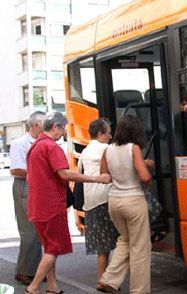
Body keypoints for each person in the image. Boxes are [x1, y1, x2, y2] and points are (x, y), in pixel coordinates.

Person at [25, 112, 111, 294]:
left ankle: (52, 286)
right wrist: (97, 179)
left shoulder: (35, 147)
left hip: (36, 206)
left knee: (48, 248)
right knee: (53, 249)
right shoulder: (52, 147)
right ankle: (33, 288)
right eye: (63, 128)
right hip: (51, 206)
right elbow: (65, 174)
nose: (64, 132)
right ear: (55, 127)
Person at [97, 114, 153, 294]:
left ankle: (109, 280)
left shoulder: (108, 150)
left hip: (114, 202)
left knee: (125, 240)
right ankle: (139, 290)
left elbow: (104, 176)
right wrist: (146, 172)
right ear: (135, 130)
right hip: (133, 201)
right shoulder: (133, 148)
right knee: (140, 248)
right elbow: (144, 177)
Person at [75, 118, 119, 283]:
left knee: (103, 249)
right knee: (123, 242)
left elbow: (80, 171)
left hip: (91, 203)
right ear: (100, 133)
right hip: (106, 199)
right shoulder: (106, 148)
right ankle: (110, 279)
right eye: (108, 132)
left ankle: (102, 280)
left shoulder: (85, 151)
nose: (110, 135)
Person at [9, 111, 45, 286]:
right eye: (44, 124)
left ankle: (35, 269)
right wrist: (40, 174)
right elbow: (16, 169)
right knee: (29, 230)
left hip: (38, 187)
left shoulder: (42, 142)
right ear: (36, 125)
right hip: (25, 186)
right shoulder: (19, 143)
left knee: (38, 230)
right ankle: (24, 271)